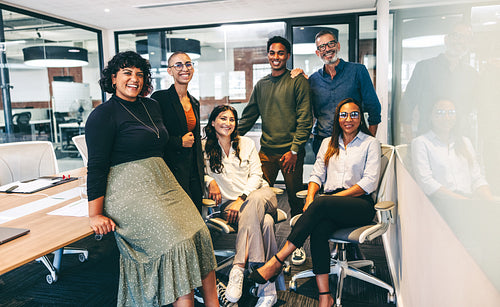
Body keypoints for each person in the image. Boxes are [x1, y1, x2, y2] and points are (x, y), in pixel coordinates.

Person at [85, 51, 218, 307]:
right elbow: (97, 167)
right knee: (177, 244)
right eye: (126, 73)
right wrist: (95, 214)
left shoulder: (152, 106)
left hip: (162, 183)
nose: (134, 79)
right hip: (127, 190)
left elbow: (165, 142)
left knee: (201, 234)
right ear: (113, 78)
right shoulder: (103, 114)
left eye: (139, 73)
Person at [249, 98, 381, 307]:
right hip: (329, 204)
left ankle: (277, 261)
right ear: (338, 118)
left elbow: (369, 183)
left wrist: (326, 200)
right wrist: (310, 198)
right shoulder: (328, 143)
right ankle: (324, 296)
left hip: (359, 204)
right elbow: (317, 175)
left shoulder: (370, 143)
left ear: (361, 117)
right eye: (344, 115)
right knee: (319, 229)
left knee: (321, 204)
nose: (349, 119)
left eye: (354, 114)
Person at [238, 36, 312, 266]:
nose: (276, 57)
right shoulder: (261, 85)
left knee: (295, 201)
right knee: (257, 198)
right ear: (268, 55)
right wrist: (228, 133)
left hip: (290, 153)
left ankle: (297, 247)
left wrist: (294, 150)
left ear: (287, 56)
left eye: (281, 53)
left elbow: (304, 118)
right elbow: (248, 117)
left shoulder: (297, 81)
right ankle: (260, 247)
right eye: (272, 53)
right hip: (266, 153)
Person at [203, 105, 282, 307]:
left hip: (261, 195)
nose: (227, 123)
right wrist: (208, 181)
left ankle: (238, 267)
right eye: (222, 118)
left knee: (254, 203)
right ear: (212, 122)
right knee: (265, 223)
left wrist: (242, 198)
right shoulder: (204, 148)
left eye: (231, 119)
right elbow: (196, 174)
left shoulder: (246, 143)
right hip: (232, 206)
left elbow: (257, 175)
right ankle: (267, 290)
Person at [292, 29, 381, 155]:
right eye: (322, 47)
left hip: (353, 142)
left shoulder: (358, 71)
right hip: (322, 142)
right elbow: (306, 111)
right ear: (318, 53)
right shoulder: (313, 80)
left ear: (338, 46)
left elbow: (374, 108)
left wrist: (370, 141)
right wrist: (299, 78)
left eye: (330, 44)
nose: (327, 49)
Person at [399, 23, 479, 142]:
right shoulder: (424, 67)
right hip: (427, 140)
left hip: (460, 142)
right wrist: (410, 142)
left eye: (466, 37)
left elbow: (473, 108)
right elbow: (407, 105)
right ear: (446, 39)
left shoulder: (472, 74)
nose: (461, 41)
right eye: (457, 36)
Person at [151, 51, 204, 213]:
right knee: (179, 217)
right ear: (169, 71)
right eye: (178, 65)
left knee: (195, 214)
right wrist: (179, 141)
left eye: (188, 64)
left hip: (193, 169)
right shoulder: (160, 98)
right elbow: (153, 136)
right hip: (171, 168)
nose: (184, 69)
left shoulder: (194, 101)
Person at [411, 99, 492, 201]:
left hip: (468, 201)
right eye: (440, 113)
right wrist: (462, 201)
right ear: (430, 116)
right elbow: (426, 182)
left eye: (451, 113)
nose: (446, 117)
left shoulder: (465, 142)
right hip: (439, 205)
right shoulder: (421, 142)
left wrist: (490, 201)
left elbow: (477, 177)